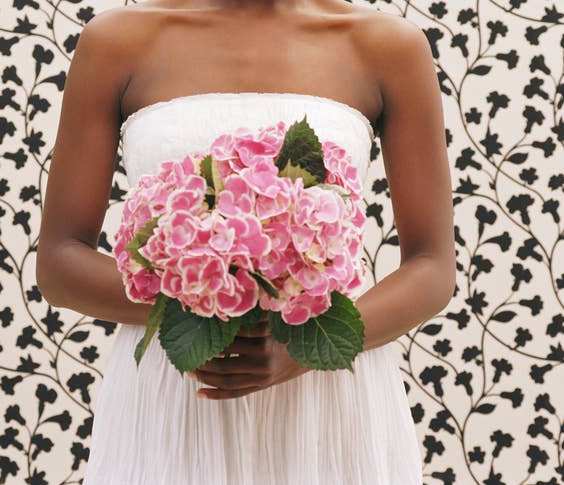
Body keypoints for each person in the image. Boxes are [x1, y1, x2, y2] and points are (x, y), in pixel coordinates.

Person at [36, 0, 456, 483]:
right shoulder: (117, 42)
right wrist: (206, 301)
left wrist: (300, 348)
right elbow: (60, 262)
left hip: (326, 398)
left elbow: (432, 265)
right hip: (178, 387)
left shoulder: (386, 46)